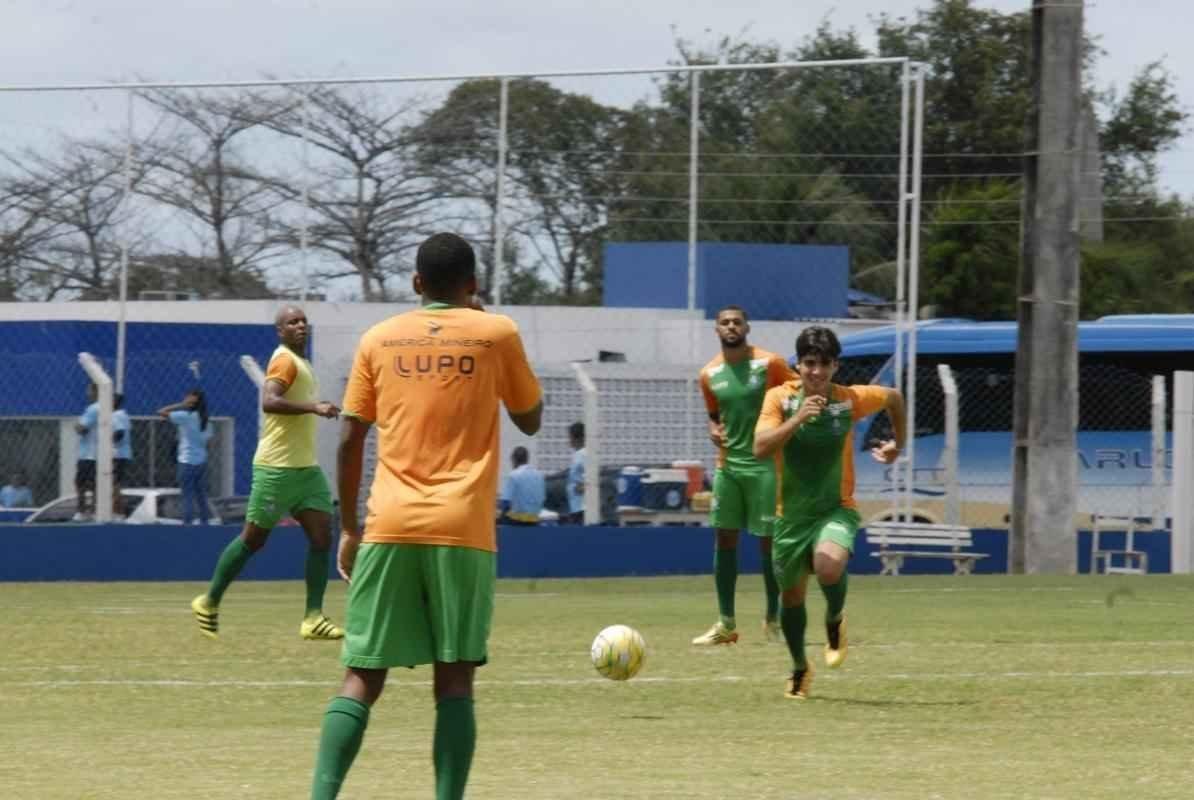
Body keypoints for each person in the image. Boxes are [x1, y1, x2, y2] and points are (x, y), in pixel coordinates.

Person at [309, 232, 542, 800]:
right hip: (462, 527)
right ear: (473, 286)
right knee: (455, 678)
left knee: (362, 676)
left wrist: (347, 527)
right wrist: (481, 324)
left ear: (415, 284)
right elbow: (531, 420)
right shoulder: (496, 333)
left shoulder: (378, 339)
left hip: (388, 521)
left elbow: (348, 439)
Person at [754, 325, 905, 699]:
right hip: (790, 518)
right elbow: (759, 447)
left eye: (824, 364)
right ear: (799, 366)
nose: (816, 372)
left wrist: (897, 446)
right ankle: (799, 669)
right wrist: (798, 419)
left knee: (828, 564)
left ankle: (835, 619)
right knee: (792, 599)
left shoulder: (849, 400)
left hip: (836, 510)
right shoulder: (779, 399)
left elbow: (894, 398)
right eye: (809, 363)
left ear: (835, 366)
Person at [190, 305, 344, 641]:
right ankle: (209, 600)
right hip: (276, 468)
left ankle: (313, 618)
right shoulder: (284, 360)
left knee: (322, 537)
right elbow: (270, 401)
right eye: (292, 322)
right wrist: (314, 407)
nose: (300, 325)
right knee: (253, 540)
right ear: (280, 331)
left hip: (305, 469)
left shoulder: (302, 363)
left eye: (303, 320)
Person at [691, 305, 796, 646]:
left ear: (747, 326)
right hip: (728, 467)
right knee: (724, 539)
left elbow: (799, 393)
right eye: (725, 322)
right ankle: (725, 623)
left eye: (737, 321)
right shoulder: (708, 374)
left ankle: (773, 618)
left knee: (768, 542)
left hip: (766, 465)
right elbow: (714, 413)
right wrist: (712, 427)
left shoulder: (770, 363)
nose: (732, 326)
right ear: (716, 330)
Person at [158, 389, 214, 525]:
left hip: (186, 460)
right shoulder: (206, 421)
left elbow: (161, 412)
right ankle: (205, 522)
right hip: (201, 461)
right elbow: (209, 442)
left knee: (187, 494)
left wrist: (180, 405)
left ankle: (187, 523)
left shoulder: (185, 416)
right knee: (201, 495)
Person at [498, 446, 546, 526]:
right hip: (535, 520)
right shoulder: (540, 475)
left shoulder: (513, 475)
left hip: (517, 521)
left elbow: (505, 503)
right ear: (527, 459)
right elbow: (542, 499)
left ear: (514, 460)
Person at [73, 383, 99, 521]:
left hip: (88, 454)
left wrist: (77, 425)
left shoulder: (93, 409)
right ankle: (95, 510)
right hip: (99, 453)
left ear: (95, 391)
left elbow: (81, 429)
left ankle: (81, 512)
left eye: (88, 390)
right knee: (95, 484)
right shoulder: (106, 408)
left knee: (80, 483)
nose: (87, 393)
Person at [112, 393, 132, 518]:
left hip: (117, 454)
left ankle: (118, 512)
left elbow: (120, 432)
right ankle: (119, 512)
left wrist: (107, 442)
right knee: (116, 484)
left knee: (114, 485)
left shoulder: (115, 415)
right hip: (123, 454)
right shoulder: (124, 415)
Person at [562, 421, 585, 524]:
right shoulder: (577, 454)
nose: (569, 440)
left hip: (582, 507)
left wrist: (581, 487)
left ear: (577, 438)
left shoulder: (584, 454)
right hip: (575, 506)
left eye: (570, 437)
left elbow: (591, 479)